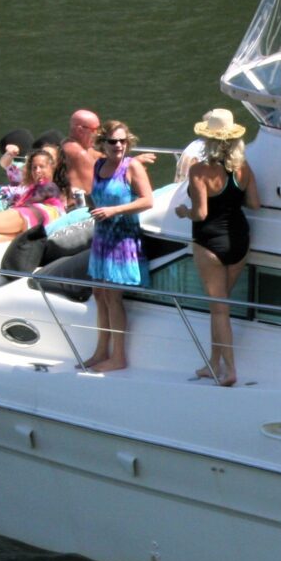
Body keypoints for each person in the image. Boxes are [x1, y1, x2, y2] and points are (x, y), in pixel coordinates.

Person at [177, 109, 259, 386]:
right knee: (220, 305)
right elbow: (255, 204)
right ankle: (213, 363)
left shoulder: (199, 170)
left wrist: (183, 212)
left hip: (210, 242)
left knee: (219, 308)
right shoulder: (243, 169)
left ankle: (230, 370)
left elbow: (200, 213)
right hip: (240, 239)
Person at [76, 120, 155, 372]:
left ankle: (118, 356)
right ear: (103, 144)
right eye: (113, 141)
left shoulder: (131, 167)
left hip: (122, 237)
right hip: (102, 235)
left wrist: (115, 210)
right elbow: (96, 194)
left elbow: (147, 200)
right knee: (99, 294)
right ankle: (101, 350)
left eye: (123, 141)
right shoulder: (99, 164)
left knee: (113, 296)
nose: (119, 145)